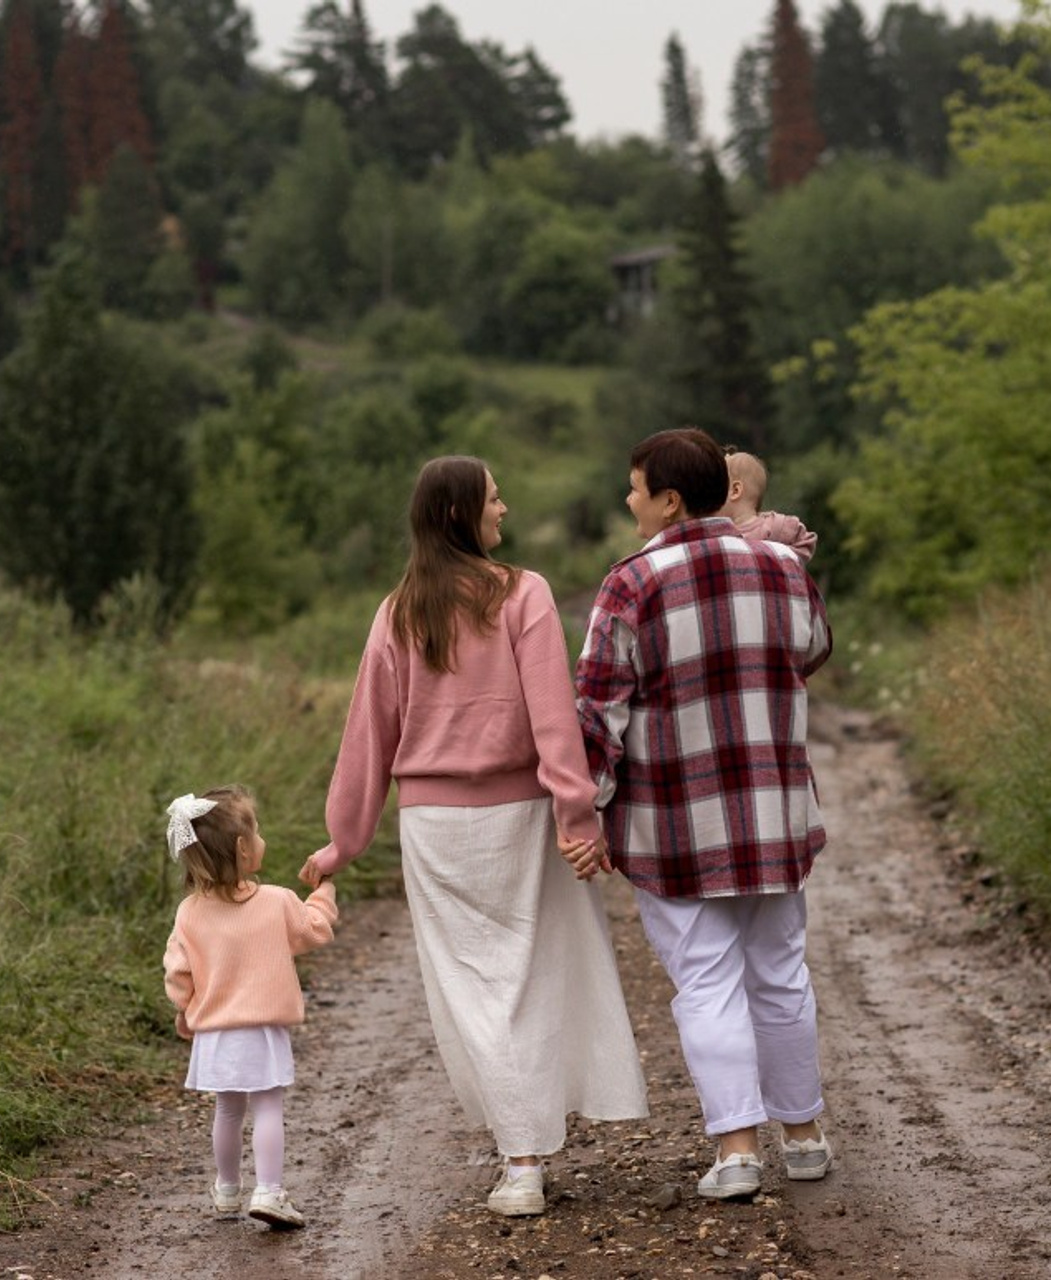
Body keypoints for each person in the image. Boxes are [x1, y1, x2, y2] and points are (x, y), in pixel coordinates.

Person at [298, 455, 648, 1219]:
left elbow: (368, 737)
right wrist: (576, 816)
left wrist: (343, 843)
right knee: (531, 973)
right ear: (462, 514)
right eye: (494, 499)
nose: (506, 508)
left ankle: (518, 1157)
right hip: (520, 815)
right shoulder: (523, 594)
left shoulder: (396, 612)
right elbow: (554, 717)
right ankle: (527, 1152)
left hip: (432, 829)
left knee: (473, 990)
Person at [570, 427, 834, 1202]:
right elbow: (812, 647)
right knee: (781, 974)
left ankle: (738, 1150)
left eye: (635, 487)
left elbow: (597, 712)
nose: (629, 499)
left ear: (669, 499)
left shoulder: (630, 584)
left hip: (674, 823)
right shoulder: (784, 565)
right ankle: (806, 1137)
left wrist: (588, 809)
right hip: (773, 813)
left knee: (707, 982)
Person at [162, 785, 338, 1230]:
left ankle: (226, 1189)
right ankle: (270, 1191)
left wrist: (185, 1012)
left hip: (216, 1030)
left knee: (227, 1111)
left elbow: (178, 972)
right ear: (243, 849)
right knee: (268, 1108)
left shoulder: (189, 912)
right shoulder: (276, 901)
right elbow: (314, 931)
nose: (261, 840)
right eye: (256, 833)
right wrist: (324, 893)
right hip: (260, 1029)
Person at [721, 447, 817, 562]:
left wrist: (783, 561)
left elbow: (806, 542)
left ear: (735, 491)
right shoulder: (718, 533)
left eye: (714, 486)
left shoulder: (775, 526)